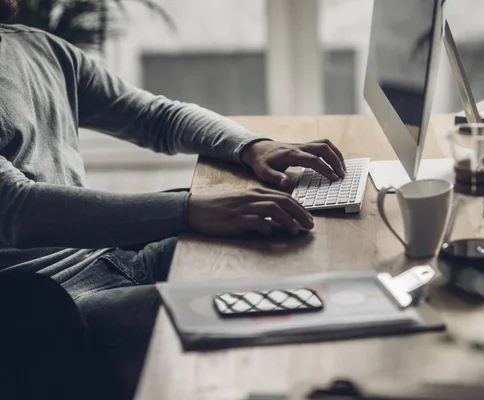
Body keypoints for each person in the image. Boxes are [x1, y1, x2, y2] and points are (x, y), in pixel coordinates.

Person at [0, 0, 346, 398]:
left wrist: (252, 146)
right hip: (50, 310)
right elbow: (19, 210)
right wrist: (189, 210)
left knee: (292, 257)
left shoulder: (39, 48)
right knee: (255, 315)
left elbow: (155, 116)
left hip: (114, 257)